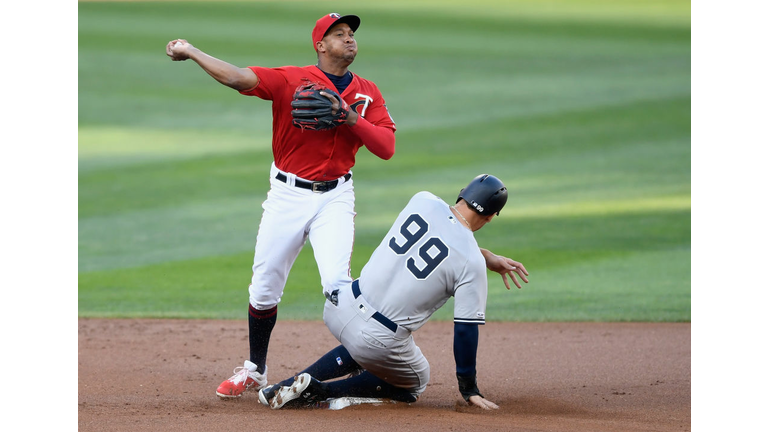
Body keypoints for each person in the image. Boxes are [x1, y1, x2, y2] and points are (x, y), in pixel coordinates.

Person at [165, 13, 397, 399]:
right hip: (287, 196)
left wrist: (349, 116)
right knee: (264, 287)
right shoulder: (291, 78)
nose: (349, 39)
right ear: (320, 46)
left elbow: (386, 148)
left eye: (351, 34)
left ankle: (367, 357)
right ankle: (255, 370)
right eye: (339, 34)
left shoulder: (368, 92)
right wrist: (190, 51)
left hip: (336, 197)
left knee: (338, 288)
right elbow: (237, 77)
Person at [258, 174, 529, 410]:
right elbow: (465, 331)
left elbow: (440, 238)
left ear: (462, 194)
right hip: (376, 340)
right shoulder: (470, 263)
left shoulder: (422, 200)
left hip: (341, 307)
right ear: (491, 216)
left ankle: (286, 385)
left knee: (363, 344)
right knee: (416, 382)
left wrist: (484, 255)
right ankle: (320, 391)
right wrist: (469, 389)